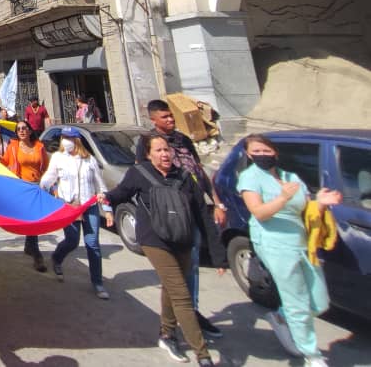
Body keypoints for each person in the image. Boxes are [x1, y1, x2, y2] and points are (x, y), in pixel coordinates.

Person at [100, 133, 227, 367]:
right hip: (154, 240)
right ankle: (203, 354)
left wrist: (219, 256)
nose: (164, 154)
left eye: (166, 149)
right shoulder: (139, 174)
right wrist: (105, 200)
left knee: (172, 288)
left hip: (183, 239)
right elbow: (118, 194)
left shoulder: (185, 177)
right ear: (148, 155)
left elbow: (202, 216)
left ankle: (167, 334)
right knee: (181, 294)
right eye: (158, 150)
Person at [237, 134, 341, 367]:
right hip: (274, 244)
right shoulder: (250, 178)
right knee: (297, 300)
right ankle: (311, 354)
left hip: (302, 243)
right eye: (256, 151)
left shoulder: (289, 176)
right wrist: (283, 198)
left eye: (266, 150)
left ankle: (283, 316)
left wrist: (321, 203)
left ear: (275, 152)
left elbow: (305, 208)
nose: (262, 155)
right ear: (249, 154)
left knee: (319, 301)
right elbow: (260, 212)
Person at [146, 99, 227, 339]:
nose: (171, 120)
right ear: (154, 120)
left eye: (172, 116)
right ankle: (178, 321)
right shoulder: (147, 143)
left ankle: (190, 312)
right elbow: (143, 177)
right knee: (179, 270)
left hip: (195, 210)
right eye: (165, 117)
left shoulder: (183, 140)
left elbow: (199, 170)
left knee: (191, 268)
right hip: (171, 215)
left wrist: (216, 202)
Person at [39, 126, 113, 299]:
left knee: (92, 243)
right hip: (69, 206)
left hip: (89, 206)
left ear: (77, 140)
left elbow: (101, 186)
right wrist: (43, 194)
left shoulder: (89, 160)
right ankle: (57, 258)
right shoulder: (58, 158)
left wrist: (107, 210)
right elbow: (47, 180)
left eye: (69, 137)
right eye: (63, 137)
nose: (65, 140)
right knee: (72, 241)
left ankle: (97, 282)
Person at [0, 120, 50, 271]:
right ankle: (36, 254)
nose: (21, 131)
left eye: (24, 128)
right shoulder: (13, 146)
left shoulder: (39, 146)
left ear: (29, 130)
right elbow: (4, 162)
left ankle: (30, 246)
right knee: (31, 219)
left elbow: (47, 167)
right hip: (21, 187)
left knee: (34, 220)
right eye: (18, 129)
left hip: (37, 187)